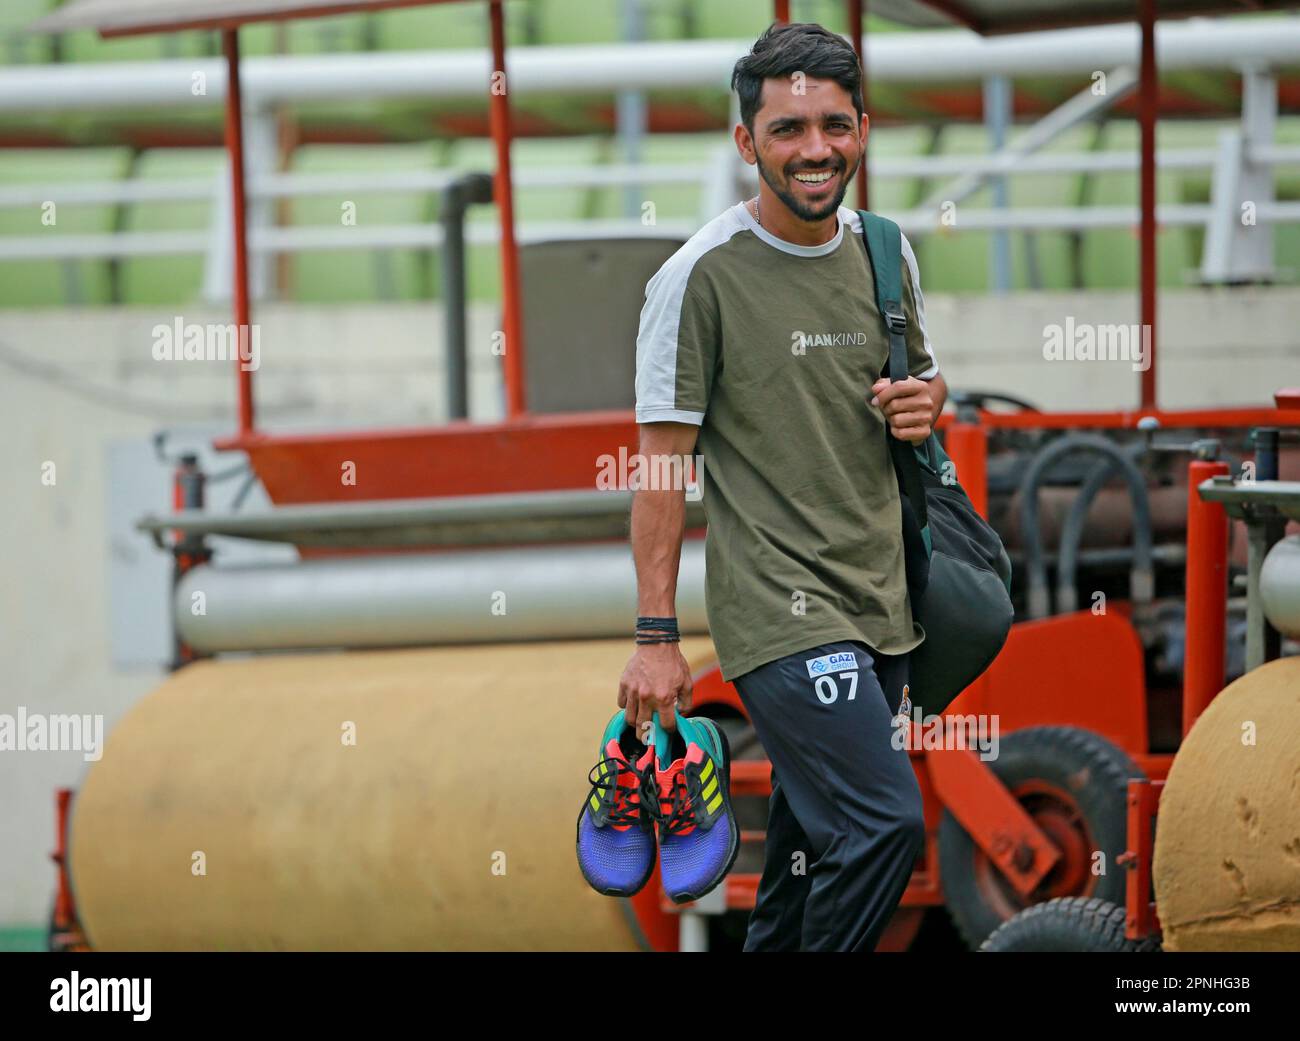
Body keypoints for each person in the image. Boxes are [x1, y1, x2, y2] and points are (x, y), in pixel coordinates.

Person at [618, 21, 947, 951]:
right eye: (789, 130)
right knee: (886, 825)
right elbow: (658, 465)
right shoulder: (695, 279)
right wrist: (655, 638)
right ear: (745, 142)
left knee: (804, 870)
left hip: (883, 606)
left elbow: (926, 381)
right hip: (781, 615)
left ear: (863, 129)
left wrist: (925, 401)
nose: (815, 150)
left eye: (834, 126)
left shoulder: (887, 251)